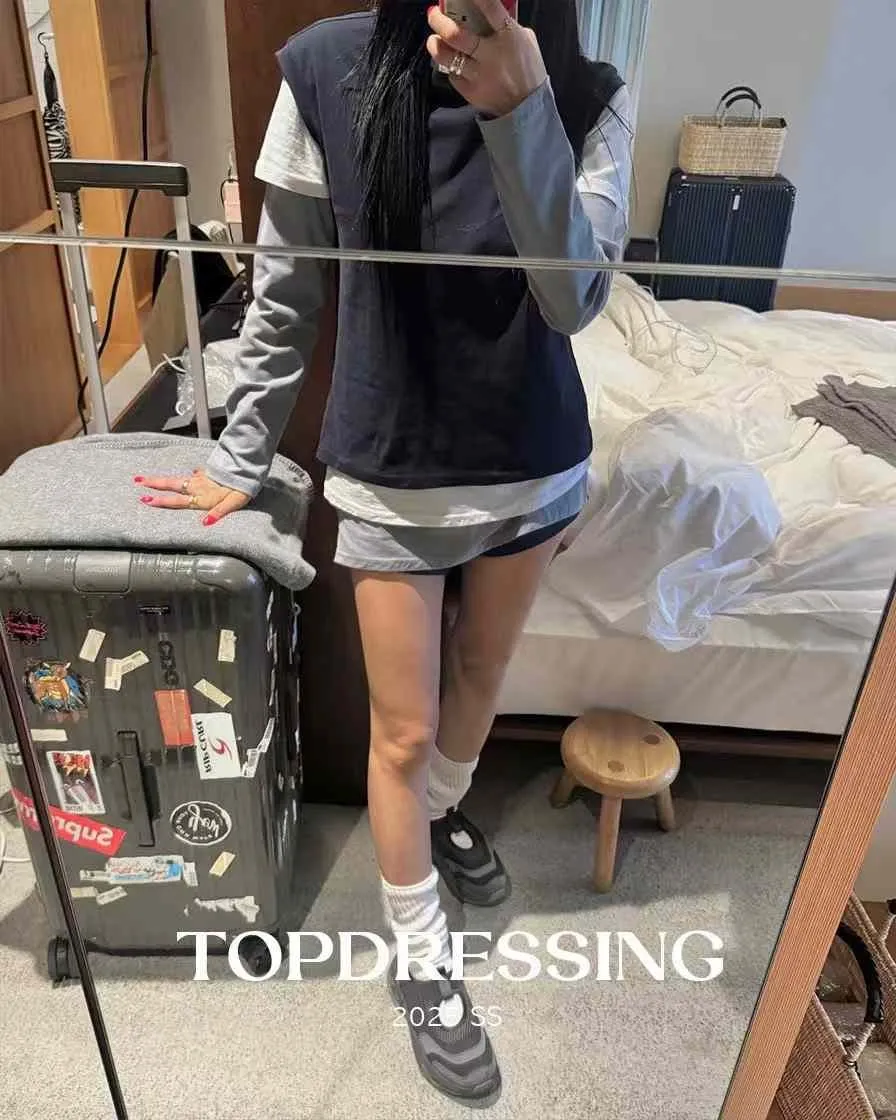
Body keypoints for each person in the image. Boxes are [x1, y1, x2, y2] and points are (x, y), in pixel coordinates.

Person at [136, 0, 632, 1106]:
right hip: (390, 467)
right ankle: (420, 956)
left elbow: (572, 299)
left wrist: (522, 108)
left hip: (531, 463)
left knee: (480, 674)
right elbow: (286, 288)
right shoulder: (325, 70)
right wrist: (241, 454)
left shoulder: (587, 91)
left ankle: (446, 813)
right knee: (401, 728)